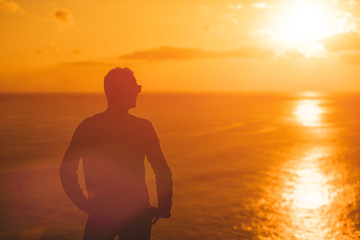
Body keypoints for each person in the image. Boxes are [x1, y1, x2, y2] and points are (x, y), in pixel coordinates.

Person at [59, 67, 173, 240]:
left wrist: (84, 204)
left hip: (101, 215)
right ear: (123, 91)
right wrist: (164, 207)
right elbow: (161, 170)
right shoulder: (143, 128)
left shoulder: (88, 126)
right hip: (137, 215)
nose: (137, 93)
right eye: (135, 88)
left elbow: (66, 171)